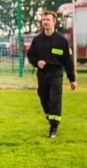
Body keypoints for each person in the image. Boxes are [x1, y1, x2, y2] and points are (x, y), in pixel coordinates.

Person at [26, 10, 76, 138]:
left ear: (54, 21)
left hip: (56, 73)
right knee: (43, 98)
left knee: (55, 99)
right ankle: (51, 117)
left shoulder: (61, 41)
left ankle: (53, 127)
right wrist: (37, 62)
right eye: (43, 20)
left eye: (47, 19)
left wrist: (72, 79)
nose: (45, 22)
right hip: (42, 74)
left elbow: (68, 61)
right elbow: (30, 56)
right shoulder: (37, 40)